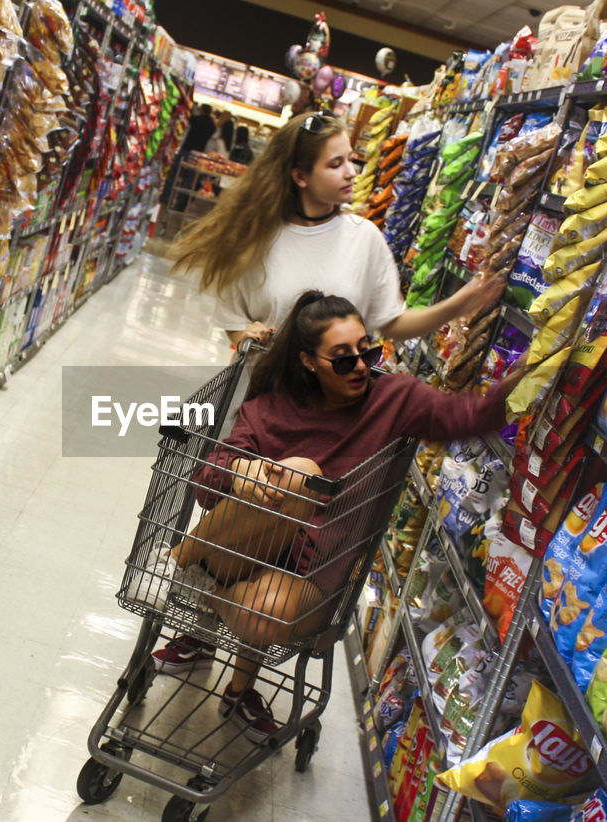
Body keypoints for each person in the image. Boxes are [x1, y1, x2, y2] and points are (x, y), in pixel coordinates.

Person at [131, 291, 523, 743]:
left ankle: (212, 616)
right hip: (240, 547)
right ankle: (175, 565)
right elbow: (205, 483)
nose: (360, 365)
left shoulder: (394, 399)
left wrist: (524, 371)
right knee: (300, 475)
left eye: (367, 351)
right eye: (341, 358)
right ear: (308, 362)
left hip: (310, 568)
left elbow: (466, 417)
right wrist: (239, 470)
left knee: (264, 615)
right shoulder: (270, 406)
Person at [171, 111, 504, 350]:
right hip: (257, 406)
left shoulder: (365, 238)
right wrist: (248, 335)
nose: (351, 173)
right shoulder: (254, 237)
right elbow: (234, 323)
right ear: (300, 176)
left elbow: (392, 323)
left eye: (350, 160)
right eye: (335, 164)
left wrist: (458, 304)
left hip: (332, 411)